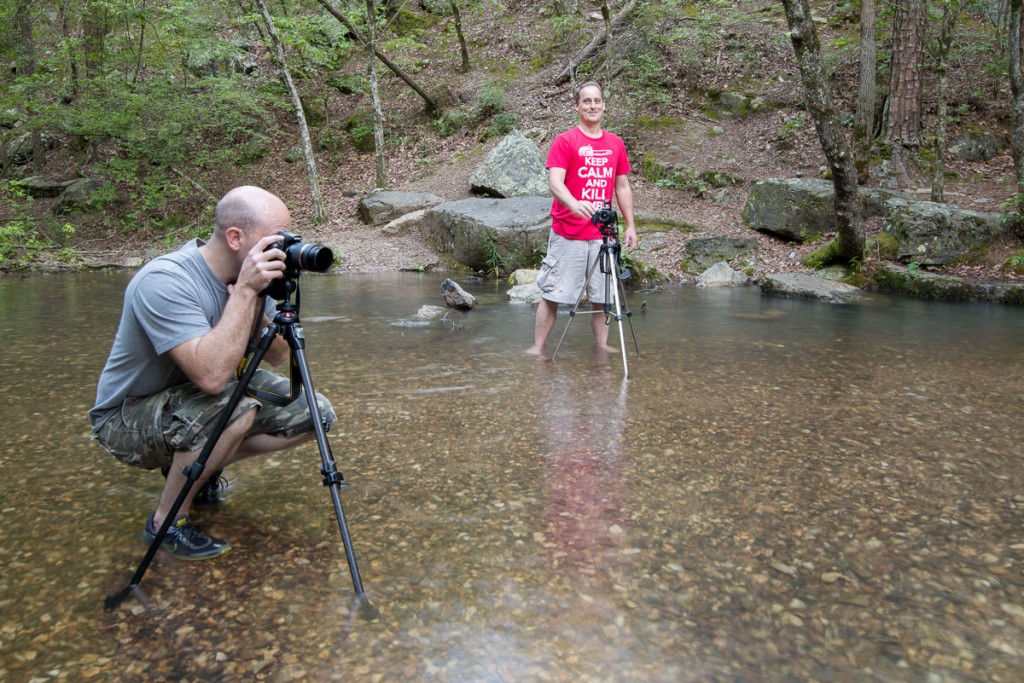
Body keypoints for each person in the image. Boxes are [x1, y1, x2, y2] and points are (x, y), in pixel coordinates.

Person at [89, 186, 336, 560]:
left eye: (288, 237)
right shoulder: (164, 280)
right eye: (277, 237)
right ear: (236, 237)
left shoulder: (254, 276)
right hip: (126, 416)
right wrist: (242, 295)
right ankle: (167, 522)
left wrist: (259, 300)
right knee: (232, 409)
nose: (285, 247)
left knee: (315, 414)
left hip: (196, 400)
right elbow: (212, 378)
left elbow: (278, 355)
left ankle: (194, 470)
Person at [527, 80, 638, 357]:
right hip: (568, 234)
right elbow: (555, 183)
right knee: (553, 294)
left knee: (602, 299)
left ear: (604, 105)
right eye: (586, 101)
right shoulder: (565, 141)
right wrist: (574, 204)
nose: (592, 106)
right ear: (576, 106)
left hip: (603, 235)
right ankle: (538, 349)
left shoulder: (615, 143)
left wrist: (631, 225)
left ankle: (601, 347)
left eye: (597, 101)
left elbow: (622, 186)